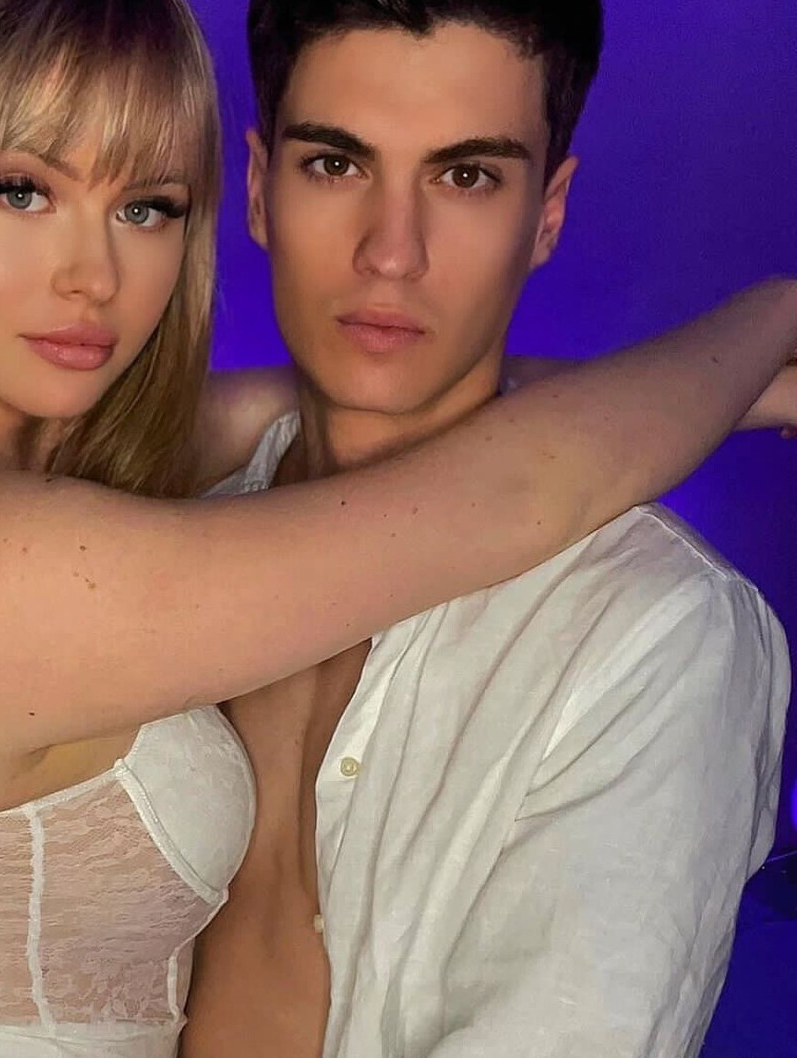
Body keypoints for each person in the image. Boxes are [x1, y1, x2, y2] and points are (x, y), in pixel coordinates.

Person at [0, 0, 796, 1056]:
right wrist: (776, 314)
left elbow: (344, 410)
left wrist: (742, 390)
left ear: (547, 212)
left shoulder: (106, 478)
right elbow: (514, 492)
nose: (93, 277)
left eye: (146, 206)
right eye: (21, 189)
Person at [176, 2, 793, 1057]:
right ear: (260, 188)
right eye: (336, 164)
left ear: (547, 216)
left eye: (466, 176)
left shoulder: (654, 631)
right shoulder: (160, 531)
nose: (391, 252)